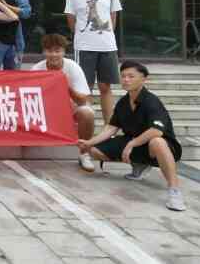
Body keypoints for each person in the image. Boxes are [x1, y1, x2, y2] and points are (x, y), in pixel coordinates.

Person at [78, 61, 186, 212]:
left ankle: (174, 190)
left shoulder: (151, 101)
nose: (126, 80)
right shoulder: (123, 102)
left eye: (131, 76)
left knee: (157, 142)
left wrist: (131, 144)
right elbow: (111, 128)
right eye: (123, 76)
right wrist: (89, 142)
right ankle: (139, 165)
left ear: (143, 79)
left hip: (162, 146)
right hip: (136, 143)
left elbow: (156, 131)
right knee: (95, 150)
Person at [65, 0, 122, 126]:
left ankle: (108, 127)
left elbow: (113, 17)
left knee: (106, 87)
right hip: (84, 47)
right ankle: (85, 126)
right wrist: (84, 35)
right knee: (85, 88)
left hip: (107, 46)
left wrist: (105, 35)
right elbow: (71, 20)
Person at [32, 34, 96, 172]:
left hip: (70, 109)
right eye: (49, 51)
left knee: (87, 113)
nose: (53, 55)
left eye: (57, 51)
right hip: (45, 110)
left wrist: (66, 86)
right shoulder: (37, 69)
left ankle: (84, 153)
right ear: (44, 52)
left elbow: (83, 100)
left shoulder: (73, 67)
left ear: (64, 52)